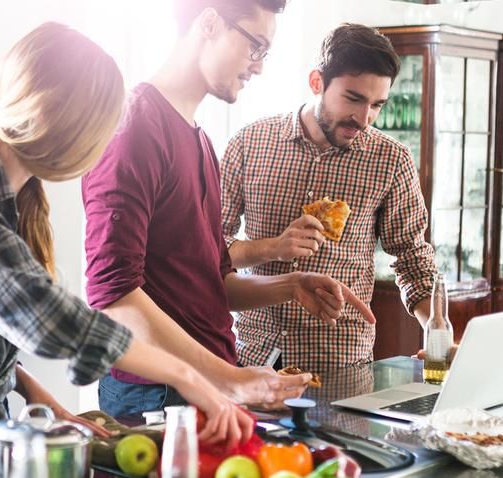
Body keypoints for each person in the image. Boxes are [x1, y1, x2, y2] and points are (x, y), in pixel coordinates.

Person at [0, 22, 257, 476]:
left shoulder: (15, 197)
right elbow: (36, 310)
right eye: (101, 128)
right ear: (61, 116)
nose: (103, 145)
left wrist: (39, 396)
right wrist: (187, 375)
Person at [83, 0, 374, 419]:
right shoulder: (134, 128)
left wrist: (290, 285)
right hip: (158, 392)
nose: (259, 66)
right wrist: (230, 379)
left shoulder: (200, 139)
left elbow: (212, 282)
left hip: (205, 383)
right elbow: (114, 298)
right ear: (209, 23)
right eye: (255, 46)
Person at [220, 24, 438, 372]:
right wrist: (273, 247)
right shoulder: (249, 144)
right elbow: (210, 248)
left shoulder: (391, 160)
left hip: (341, 363)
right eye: (353, 99)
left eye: (377, 105)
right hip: (254, 358)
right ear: (316, 82)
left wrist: (437, 329)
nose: (364, 119)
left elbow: (413, 257)